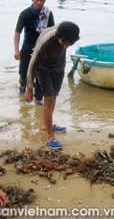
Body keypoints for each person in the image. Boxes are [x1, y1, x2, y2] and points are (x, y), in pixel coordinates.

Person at [24, 21, 80, 150]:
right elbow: (32, 64)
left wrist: (66, 45)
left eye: (69, 43)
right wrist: (29, 88)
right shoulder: (46, 41)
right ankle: (50, 137)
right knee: (48, 98)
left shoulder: (68, 34)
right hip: (43, 66)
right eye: (63, 42)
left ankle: (46, 125)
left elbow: (67, 42)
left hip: (58, 66)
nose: (66, 46)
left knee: (54, 96)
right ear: (58, 37)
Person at [14, 0, 55, 105]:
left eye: (42, 0)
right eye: (37, 0)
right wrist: (17, 50)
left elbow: (52, 33)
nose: (39, 3)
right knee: (23, 73)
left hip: (42, 48)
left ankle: (38, 99)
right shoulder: (25, 14)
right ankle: (22, 92)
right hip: (27, 47)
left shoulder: (48, 14)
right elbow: (17, 33)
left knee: (40, 74)